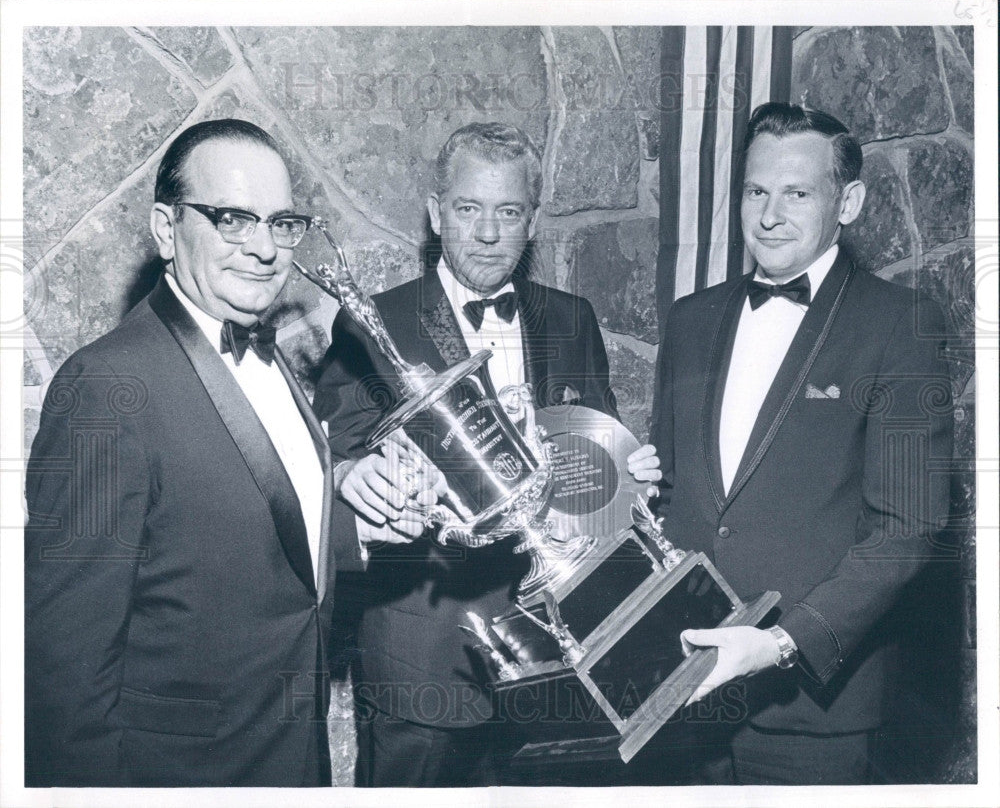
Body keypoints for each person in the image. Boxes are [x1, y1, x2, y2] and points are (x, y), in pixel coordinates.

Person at [313, 122, 661, 787]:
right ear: (437, 213)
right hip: (425, 657)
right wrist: (359, 473)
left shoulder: (571, 317)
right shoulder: (375, 320)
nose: (487, 232)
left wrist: (627, 475)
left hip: (557, 648)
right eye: (469, 209)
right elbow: (333, 457)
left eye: (508, 212)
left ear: (532, 222)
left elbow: (594, 446)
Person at [24, 119, 362, 786]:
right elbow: (64, 669)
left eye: (282, 222)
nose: (265, 248)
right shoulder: (106, 386)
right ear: (164, 229)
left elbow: (255, 537)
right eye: (232, 220)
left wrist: (365, 523)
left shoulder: (276, 357)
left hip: (294, 762)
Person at [649, 102, 954, 784]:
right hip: (680, 694)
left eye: (797, 193)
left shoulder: (901, 323)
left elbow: (908, 529)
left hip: (814, 711)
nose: (769, 216)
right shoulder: (690, 321)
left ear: (847, 202)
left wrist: (783, 644)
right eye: (756, 191)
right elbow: (675, 498)